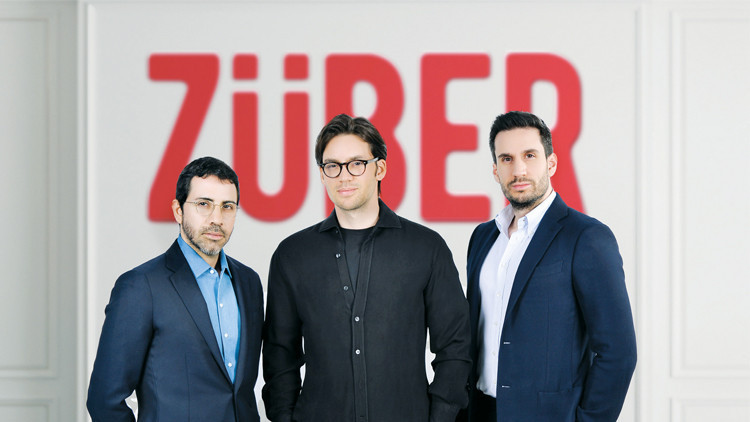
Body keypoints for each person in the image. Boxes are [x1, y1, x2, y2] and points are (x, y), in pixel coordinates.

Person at [262, 114, 471, 422]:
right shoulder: (292, 255)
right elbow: (279, 354)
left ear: (380, 168)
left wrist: (441, 417)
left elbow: (455, 345)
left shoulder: (426, 248)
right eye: (332, 166)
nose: (343, 176)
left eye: (357, 163)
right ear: (322, 174)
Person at [462, 111, 637, 421]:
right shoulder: (483, 237)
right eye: (506, 159)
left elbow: (618, 351)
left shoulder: (586, 237)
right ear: (495, 170)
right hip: (480, 411)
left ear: (551, 163)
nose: (519, 170)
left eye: (529, 156)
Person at [87, 157, 264, 422]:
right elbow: (104, 400)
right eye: (203, 204)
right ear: (178, 211)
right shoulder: (140, 286)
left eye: (227, 207)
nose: (216, 219)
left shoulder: (249, 282)